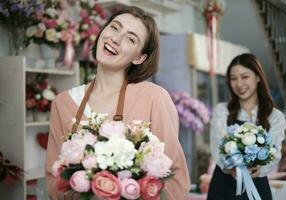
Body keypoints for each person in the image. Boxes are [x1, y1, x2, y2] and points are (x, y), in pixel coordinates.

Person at [45, 5, 190, 200]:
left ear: (139, 58)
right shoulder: (63, 103)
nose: (115, 39)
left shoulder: (154, 98)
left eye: (130, 39)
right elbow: (54, 180)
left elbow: (176, 178)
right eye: (114, 27)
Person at [207, 53, 286, 200]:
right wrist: (230, 167)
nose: (239, 84)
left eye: (245, 77)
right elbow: (216, 147)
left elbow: (275, 152)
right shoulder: (222, 111)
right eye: (233, 78)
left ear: (257, 77)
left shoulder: (274, 117)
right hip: (223, 186)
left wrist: (259, 169)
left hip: (256, 186)